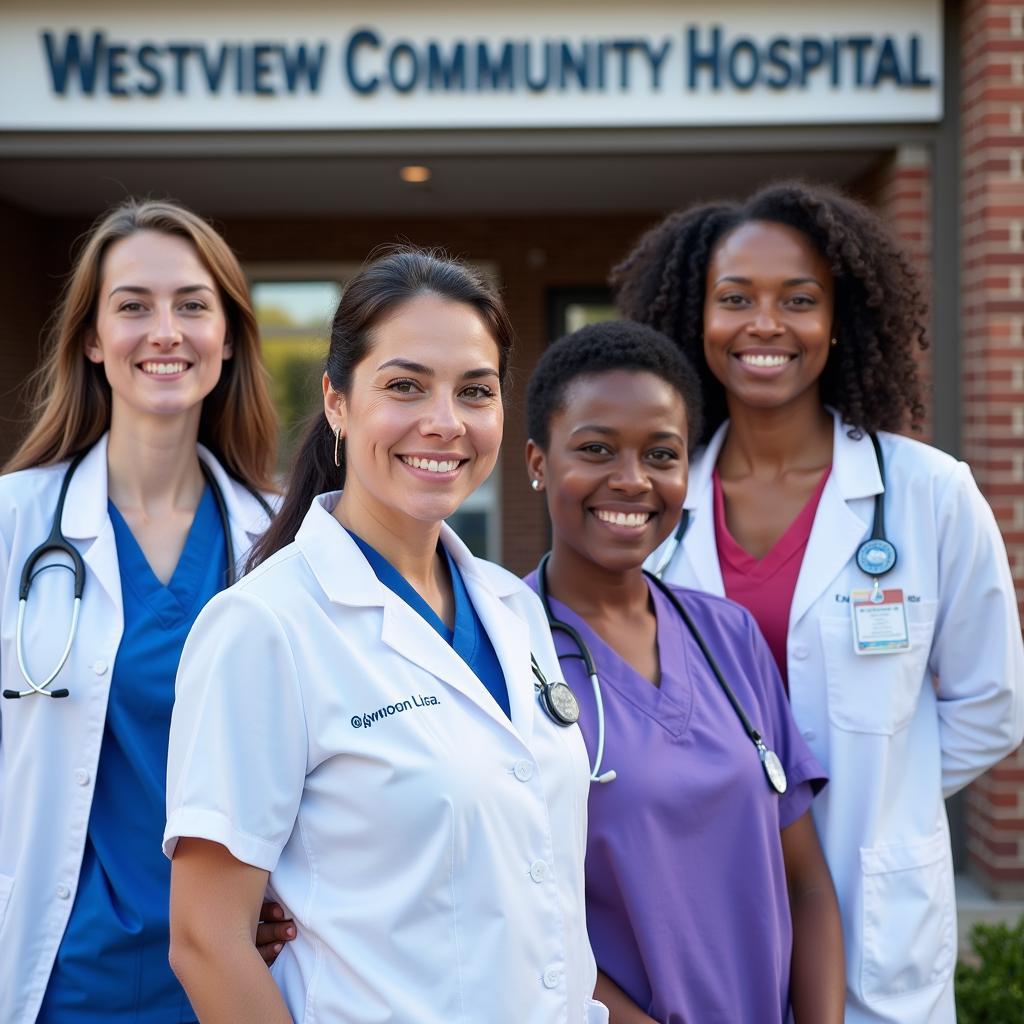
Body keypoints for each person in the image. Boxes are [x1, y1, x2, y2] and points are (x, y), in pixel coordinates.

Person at [612, 180, 1024, 1024]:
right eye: (736, 300)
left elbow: (993, 702)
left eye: (798, 300)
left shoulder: (927, 493)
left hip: (871, 899)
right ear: (697, 318)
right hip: (701, 893)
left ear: (838, 322)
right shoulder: (652, 501)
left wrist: (874, 785)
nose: (766, 325)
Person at [164, 248, 607, 1024]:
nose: (445, 422)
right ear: (336, 403)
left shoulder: (513, 607)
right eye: (405, 387)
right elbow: (206, 941)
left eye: (476, 391)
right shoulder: (264, 627)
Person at [0, 198, 291, 1023]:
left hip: (242, 977)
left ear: (228, 336)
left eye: (192, 305)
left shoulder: (284, 541)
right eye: (133, 306)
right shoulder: (13, 525)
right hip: (63, 978)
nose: (165, 330)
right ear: (93, 339)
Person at [522, 319, 844, 1024]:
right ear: (537, 461)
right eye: (596, 449)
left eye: (661, 454)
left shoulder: (727, 636)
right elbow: (511, 923)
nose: (632, 480)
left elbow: (808, 885)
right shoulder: (502, 654)